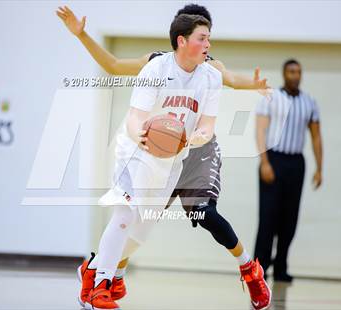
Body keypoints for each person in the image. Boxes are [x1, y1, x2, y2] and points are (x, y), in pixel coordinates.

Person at [57, 4, 271, 310]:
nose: (207, 42)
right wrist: (82, 36)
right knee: (132, 217)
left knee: (197, 214)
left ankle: (249, 270)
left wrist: (254, 85)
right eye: (201, 34)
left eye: (209, 34)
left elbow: (233, 82)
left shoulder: (210, 70)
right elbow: (114, 65)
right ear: (181, 37)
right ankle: (104, 275)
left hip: (194, 149)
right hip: (153, 146)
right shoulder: (157, 64)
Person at [255, 59, 323, 283]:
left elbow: (315, 136)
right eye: (291, 71)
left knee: (289, 219)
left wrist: (319, 168)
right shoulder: (271, 98)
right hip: (274, 160)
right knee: (268, 218)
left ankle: (281, 266)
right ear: (284, 74)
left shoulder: (309, 102)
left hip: (296, 164)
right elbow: (261, 131)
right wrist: (264, 162)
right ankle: (260, 267)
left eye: (298, 72)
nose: (295, 75)